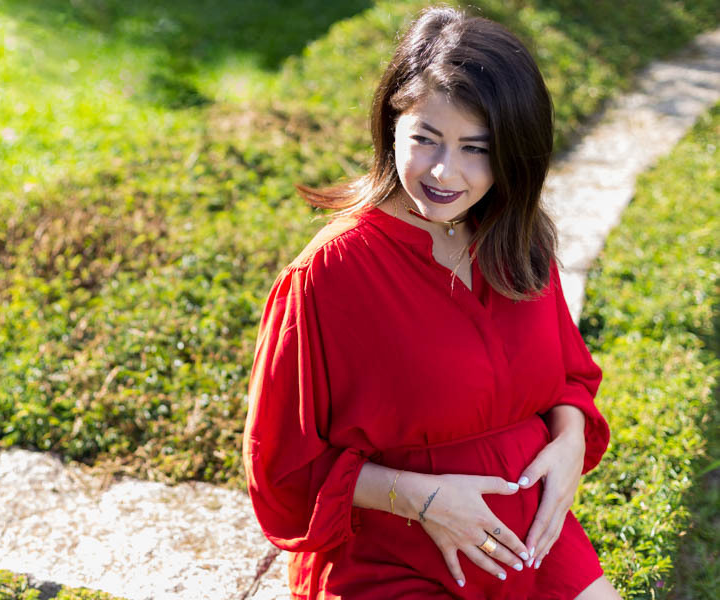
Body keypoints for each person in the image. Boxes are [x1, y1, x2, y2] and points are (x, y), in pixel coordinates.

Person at [242, 6, 622, 599]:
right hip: (391, 553)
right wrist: (425, 500)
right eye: (425, 138)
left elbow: (568, 377)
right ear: (391, 124)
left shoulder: (515, 238)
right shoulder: (329, 274)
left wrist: (570, 440)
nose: (446, 172)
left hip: (528, 546)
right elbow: (282, 469)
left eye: (477, 148)